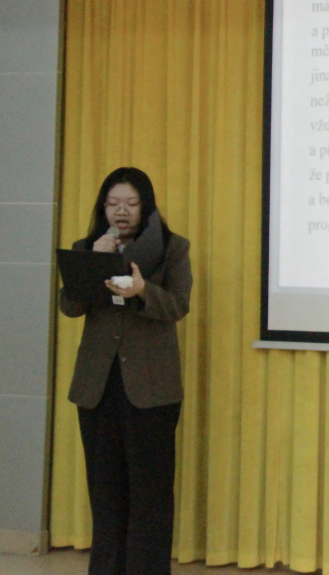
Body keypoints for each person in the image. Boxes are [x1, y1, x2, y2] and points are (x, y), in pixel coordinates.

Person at [59, 167, 192, 575]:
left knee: (150, 496)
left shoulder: (172, 248)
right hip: (98, 387)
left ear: (145, 206)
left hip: (152, 389)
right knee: (105, 494)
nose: (122, 211)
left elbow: (178, 305)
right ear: (103, 207)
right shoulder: (87, 247)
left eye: (131, 203)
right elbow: (70, 306)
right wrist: (93, 262)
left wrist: (142, 291)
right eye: (113, 203)